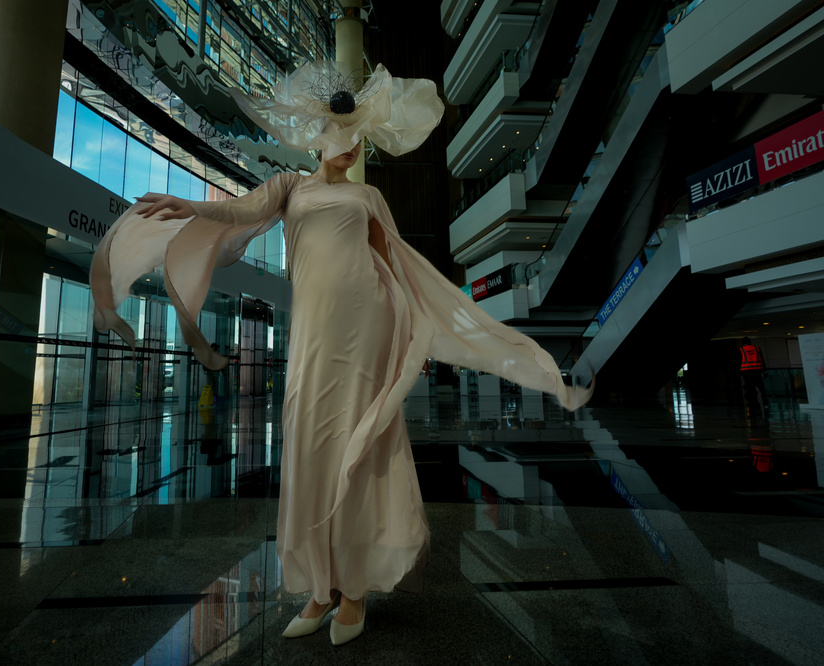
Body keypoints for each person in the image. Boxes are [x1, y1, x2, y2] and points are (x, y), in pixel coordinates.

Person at [90, 62, 592, 646]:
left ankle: (353, 590)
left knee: (358, 435)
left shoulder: (369, 195)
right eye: (341, 137)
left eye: (357, 141)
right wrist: (186, 204)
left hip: (365, 325)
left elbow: (394, 261)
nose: (350, 149)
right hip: (314, 331)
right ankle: (319, 586)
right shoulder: (289, 188)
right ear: (320, 136)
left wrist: (409, 328)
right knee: (309, 440)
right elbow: (239, 211)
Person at [739, 336, 767, 415]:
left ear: (743, 343)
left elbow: (740, 362)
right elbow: (762, 359)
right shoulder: (757, 348)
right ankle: (765, 403)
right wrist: (764, 370)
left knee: (750, 389)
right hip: (757, 370)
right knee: (761, 387)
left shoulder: (741, 350)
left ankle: (754, 403)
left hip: (746, 372)